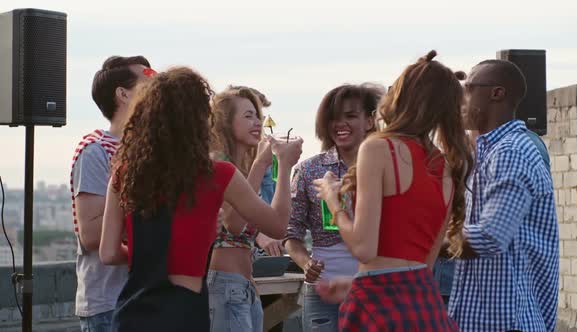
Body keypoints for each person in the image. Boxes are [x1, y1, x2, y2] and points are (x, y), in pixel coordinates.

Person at [99, 67, 303, 331]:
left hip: (131, 311)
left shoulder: (125, 172)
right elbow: (276, 225)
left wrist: (149, 254)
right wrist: (285, 165)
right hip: (183, 311)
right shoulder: (217, 174)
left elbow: (107, 252)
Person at [314, 50, 473, 331]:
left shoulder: (380, 148)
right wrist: (355, 283)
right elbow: (418, 265)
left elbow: (364, 249)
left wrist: (333, 200)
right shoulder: (445, 166)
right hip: (424, 307)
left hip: (379, 307)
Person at [447, 59, 559, 331]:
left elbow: (487, 237)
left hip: (506, 323)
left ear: (497, 93)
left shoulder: (511, 151)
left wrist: (417, 242)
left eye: (468, 89)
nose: (460, 98)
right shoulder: (489, 152)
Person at [283, 83, 383, 332]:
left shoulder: (387, 166)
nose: (340, 124)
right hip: (323, 291)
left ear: (370, 121)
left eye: (350, 116)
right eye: (333, 118)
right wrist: (306, 263)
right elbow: (291, 232)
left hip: (377, 286)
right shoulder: (307, 170)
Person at [69, 55, 155, 332]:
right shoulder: (95, 152)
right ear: (123, 94)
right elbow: (92, 234)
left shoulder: (153, 151)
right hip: (110, 303)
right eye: (148, 81)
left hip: (150, 298)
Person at [207, 86, 283, 331]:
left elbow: (277, 224)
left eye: (257, 117)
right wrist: (261, 164)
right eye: (248, 116)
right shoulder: (218, 162)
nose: (257, 123)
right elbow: (234, 223)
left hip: (245, 286)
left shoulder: (241, 168)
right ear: (226, 122)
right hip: (225, 285)